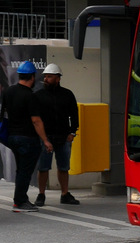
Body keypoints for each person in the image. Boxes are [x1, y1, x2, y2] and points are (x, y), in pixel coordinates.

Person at [1, 61, 53, 212]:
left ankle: (20, 199)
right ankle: (20, 201)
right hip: (28, 139)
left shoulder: (8, 92)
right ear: (32, 76)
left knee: (20, 170)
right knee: (25, 171)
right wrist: (45, 140)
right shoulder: (30, 96)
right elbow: (36, 121)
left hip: (12, 137)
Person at [33, 63, 81, 205]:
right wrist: (41, 136)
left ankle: (65, 193)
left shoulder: (67, 94)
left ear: (58, 78)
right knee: (43, 168)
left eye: (49, 76)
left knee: (64, 167)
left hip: (63, 137)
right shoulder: (38, 96)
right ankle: (41, 194)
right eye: (45, 76)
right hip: (45, 138)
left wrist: (72, 132)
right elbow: (35, 118)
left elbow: (74, 114)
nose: (46, 79)